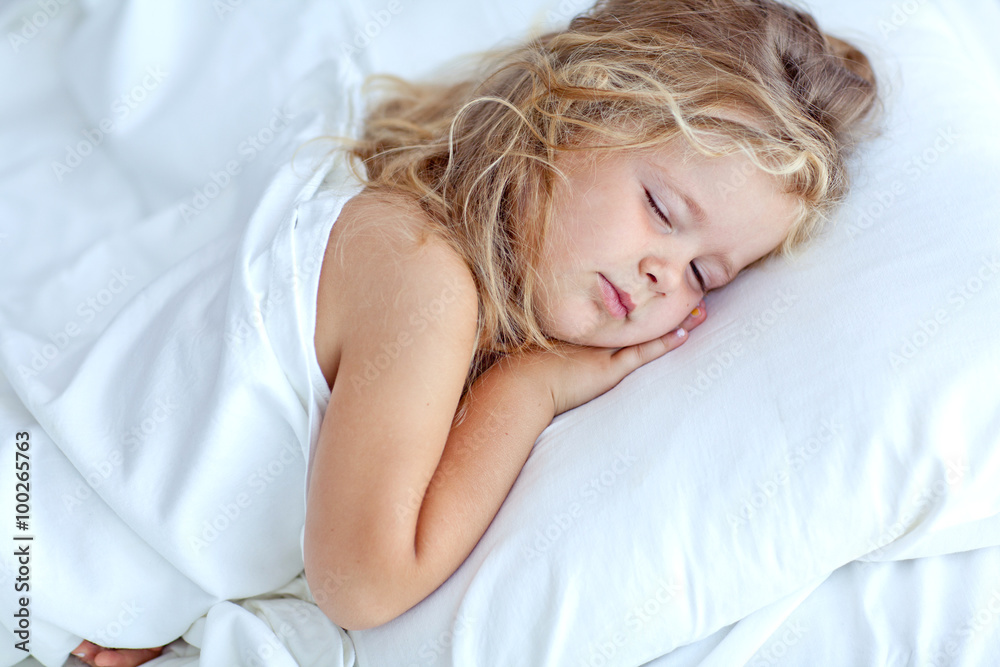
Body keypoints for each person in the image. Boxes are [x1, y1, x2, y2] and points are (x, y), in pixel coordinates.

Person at [71, 0, 878, 663]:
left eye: (707, 274)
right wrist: (527, 389)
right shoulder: (422, 277)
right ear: (567, 114)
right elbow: (365, 584)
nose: (668, 273)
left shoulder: (424, 244)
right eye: (664, 211)